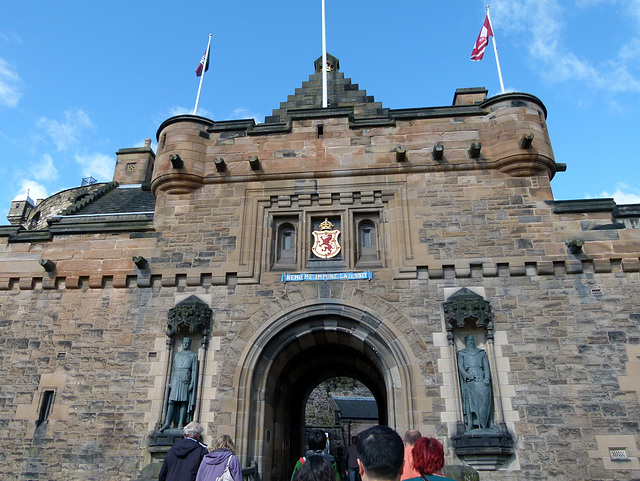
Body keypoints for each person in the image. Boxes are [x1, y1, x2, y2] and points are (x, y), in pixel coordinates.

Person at [161, 337, 199, 432]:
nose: (185, 344)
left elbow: (194, 371)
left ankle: (181, 423)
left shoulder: (192, 355)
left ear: (190, 344)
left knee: (183, 401)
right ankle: (167, 422)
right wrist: (171, 382)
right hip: (176, 379)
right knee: (171, 401)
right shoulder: (177, 355)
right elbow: (173, 369)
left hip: (185, 379)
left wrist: (192, 383)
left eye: (187, 343)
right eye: (184, 342)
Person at [457, 335, 493, 432]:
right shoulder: (462, 353)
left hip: (481, 378)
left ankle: (487, 422)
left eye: (472, 339)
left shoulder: (481, 353)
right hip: (470, 379)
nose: (470, 341)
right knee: (470, 401)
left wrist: (487, 378)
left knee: (484, 399)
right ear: (466, 341)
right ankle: (470, 423)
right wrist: (466, 375)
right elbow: (460, 366)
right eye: (468, 339)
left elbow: (486, 367)